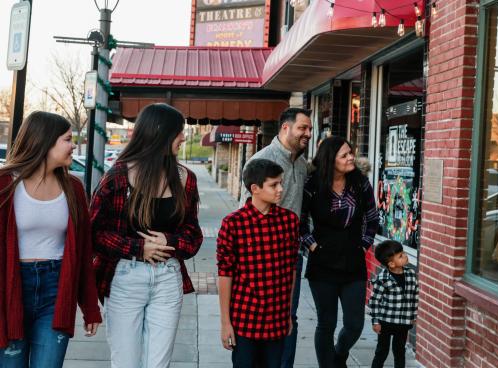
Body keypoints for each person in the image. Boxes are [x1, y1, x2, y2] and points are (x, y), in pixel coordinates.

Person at [90, 103, 203, 368]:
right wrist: (137, 248)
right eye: (178, 132)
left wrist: (171, 242)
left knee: (158, 364)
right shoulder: (117, 176)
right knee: (126, 362)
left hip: (168, 277)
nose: (184, 138)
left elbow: (194, 235)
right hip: (125, 279)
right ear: (159, 134)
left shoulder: (185, 178)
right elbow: (95, 233)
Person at [0, 111, 102, 367]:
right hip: (10, 291)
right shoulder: (4, 184)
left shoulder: (74, 188)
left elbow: (83, 253)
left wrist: (90, 307)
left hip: (56, 290)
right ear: (45, 142)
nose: (73, 146)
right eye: (67, 139)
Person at [240, 107, 312, 368]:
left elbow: (304, 206)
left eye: (310, 129)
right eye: (303, 128)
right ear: (285, 128)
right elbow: (245, 208)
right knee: (257, 316)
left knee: (288, 317)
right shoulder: (261, 160)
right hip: (260, 253)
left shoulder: (302, 163)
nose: (308, 133)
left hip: (291, 253)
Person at [300, 136, 379, 368]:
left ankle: (338, 355)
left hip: (353, 263)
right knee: (326, 323)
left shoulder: (360, 182)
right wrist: (312, 246)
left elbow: (372, 218)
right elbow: (300, 223)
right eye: (344, 155)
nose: (351, 157)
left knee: (355, 324)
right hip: (322, 264)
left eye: (351, 152)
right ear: (329, 159)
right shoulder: (312, 184)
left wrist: (363, 245)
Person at [218, 159, 300, 368]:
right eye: (274, 185)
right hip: (245, 318)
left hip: (277, 318)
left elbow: (291, 270)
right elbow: (225, 274)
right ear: (255, 189)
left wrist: (288, 314)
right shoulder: (233, 223)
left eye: (281, 183)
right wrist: (225, 322)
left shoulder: (289, 221)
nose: (280, 189)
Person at [369, 240, 418, 368]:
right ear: (391, 263)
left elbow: (414, 296)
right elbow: (374, 301)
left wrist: (413, 316)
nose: (405, 256)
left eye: (403, 253)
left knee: (399, 351)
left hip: (403, 323)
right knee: (382, 351)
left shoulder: (411, 275)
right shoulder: (382, 279)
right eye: (401, 255)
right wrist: (375, 321)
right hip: (385, 321)